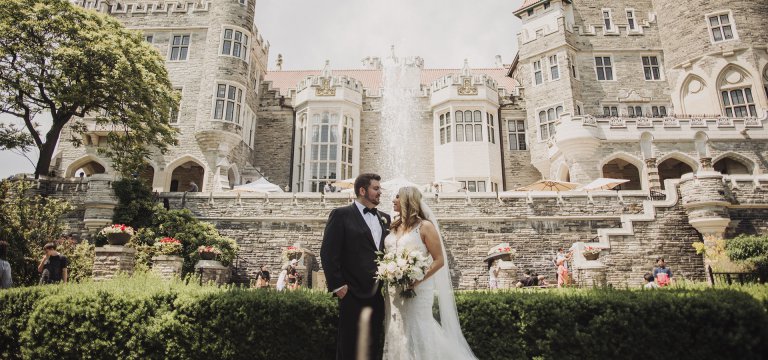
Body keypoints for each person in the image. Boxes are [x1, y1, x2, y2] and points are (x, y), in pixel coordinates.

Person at [382, 186, 476, 360]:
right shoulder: (394, 226)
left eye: (397, 197)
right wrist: (388, 270)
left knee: (418, 328)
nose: (393, 200)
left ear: (407, 200)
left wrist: (417, 279)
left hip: (418, 288)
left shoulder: (425, 226)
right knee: (397, 328)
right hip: (394, 289)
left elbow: (439, 259)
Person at [321, 173, 391, 360]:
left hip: (378, 295)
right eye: (376, 188)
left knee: (373, 344)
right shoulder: (341, 215)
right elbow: (328, 253)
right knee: (349, 346)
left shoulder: (386, 218)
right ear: (362, 190)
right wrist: (338, 286)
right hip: (351, 293)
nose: (379, 192)